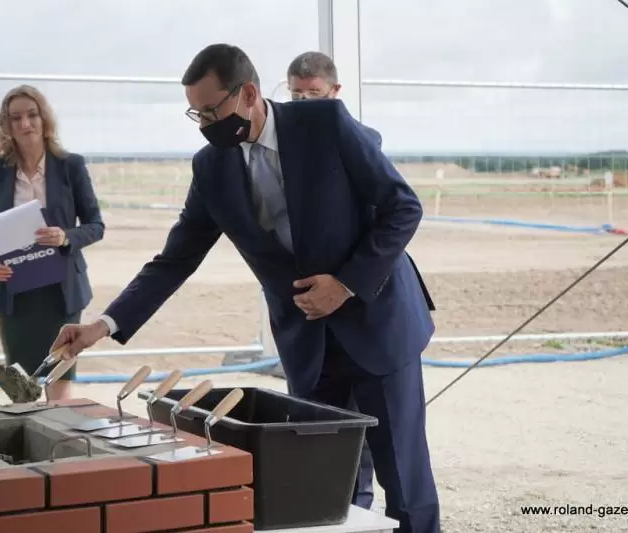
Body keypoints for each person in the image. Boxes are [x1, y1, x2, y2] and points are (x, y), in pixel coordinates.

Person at [52, 43, 440, 533]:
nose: (204, 124)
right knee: (327, 485)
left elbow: (403, 207)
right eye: (196, 113)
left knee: (403, 478)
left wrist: (345, 284)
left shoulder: (325, 124)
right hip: (307, 342)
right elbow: (174, 260)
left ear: (249, 94)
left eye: (211, 110)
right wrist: (103, 326)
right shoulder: (211, 168)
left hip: (377, 320)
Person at [285, 49, 386, 512]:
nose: (305, 104)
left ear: (336, 92)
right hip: (308, 320)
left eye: (315, 94)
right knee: (323, 439)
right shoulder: (282, 152)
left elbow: (384, 220)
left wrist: (344, 284)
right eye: (296, 96)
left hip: (359, 311)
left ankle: (361, 508)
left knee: (369, 435)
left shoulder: (362, 140)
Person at [0, 84, 104, 401]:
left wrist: (66, 236)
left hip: (62, 294)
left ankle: (59, 432)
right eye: (16, 118)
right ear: (6, 125)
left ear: (44, 119)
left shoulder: (71, 166)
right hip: (15, 294)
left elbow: (96, 225)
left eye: (32, 115)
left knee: (59, 380)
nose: (25, 124)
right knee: (20, 386)